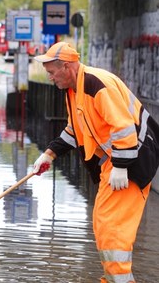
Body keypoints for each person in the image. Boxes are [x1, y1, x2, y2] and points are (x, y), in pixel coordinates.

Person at [32, 42, 159, 283]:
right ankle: (116, 279)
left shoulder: (95, 84)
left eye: (51, 72)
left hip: (132, 162)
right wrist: (50, 153)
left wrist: (121, 166)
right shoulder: (74, 89)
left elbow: (122, 128)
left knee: (113, 232)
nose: (50, 78)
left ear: (67, 67)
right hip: (116, 162)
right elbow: (75, 130)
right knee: (103, 225)